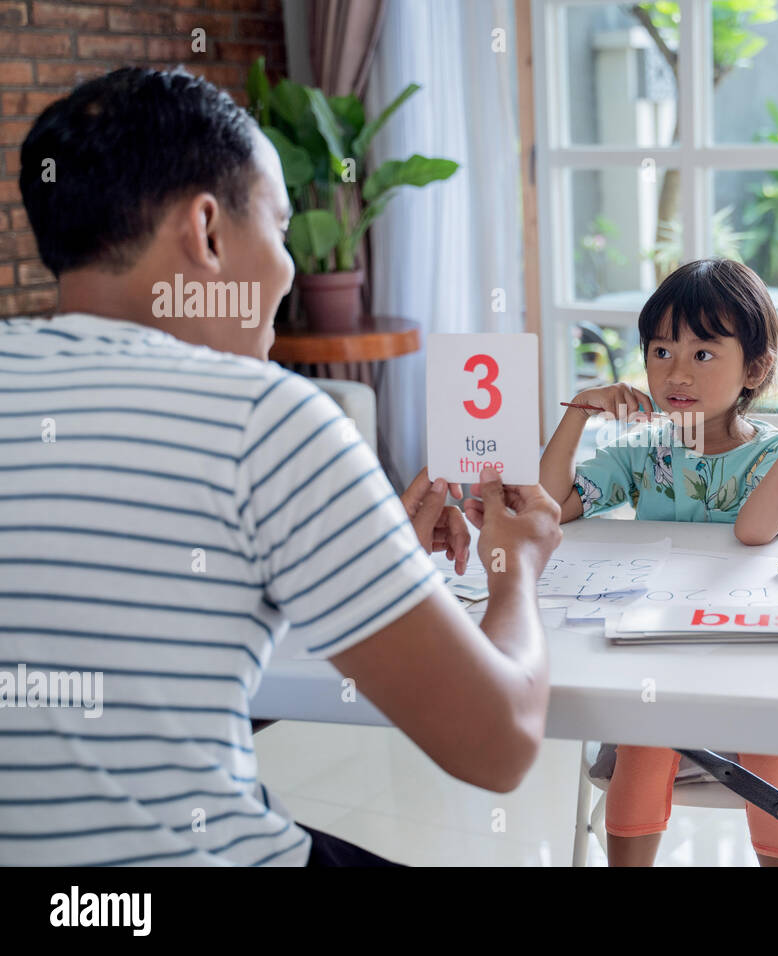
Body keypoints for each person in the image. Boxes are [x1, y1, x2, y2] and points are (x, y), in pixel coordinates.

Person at [0, 67, 560, 866]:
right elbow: (500, 743)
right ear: (208, 230)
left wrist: (359, 556)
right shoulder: (267, 417)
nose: (292, 268)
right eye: (282, 225)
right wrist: (517, 568)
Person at [539, 258, 778, 866]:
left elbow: (754, 529)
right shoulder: (646, 449)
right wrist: (578, 413)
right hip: (661, 661)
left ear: (757, 368)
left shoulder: (771, 450)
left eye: (703, 354)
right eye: (660, 351)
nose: (675, 373)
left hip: (747, 663)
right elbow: (552, 507)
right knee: (644, 737)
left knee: (765, 744)